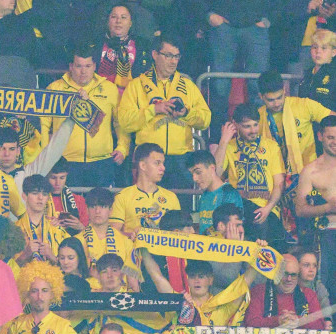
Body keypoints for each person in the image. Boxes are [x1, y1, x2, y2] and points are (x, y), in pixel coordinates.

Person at [198, 0, 275, 140]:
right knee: (220, 87)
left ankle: (261, 141)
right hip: (223, 29)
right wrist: (209, 16)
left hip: (256, 30)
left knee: (259, 88)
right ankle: (218, 141)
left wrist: (267, 20)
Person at [117, 36, 211, 191]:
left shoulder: (188, 85)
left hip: (181, 160)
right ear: (155, 55)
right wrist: (154, 110)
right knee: (148, 210)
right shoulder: (137, 84)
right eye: (168, 56)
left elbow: (206, 119)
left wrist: (186, 113)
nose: (173, 61)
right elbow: (125, 121)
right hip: (149, 159)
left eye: (176, 56)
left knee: (181, 210)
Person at [41, 47, 129, 185]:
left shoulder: (110, 88)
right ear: (71, 66)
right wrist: (46, 155)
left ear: (94, 66)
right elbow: (44, 125)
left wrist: (122, 148)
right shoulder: (55, 88)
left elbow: (120, 122)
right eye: (78, 66)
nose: (83, 71)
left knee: (101, 206)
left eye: (88, 66)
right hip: (65, 161)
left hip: (102, 162)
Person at [213, 104, 287, 247]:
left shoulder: (271, 146)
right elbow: (215, 174)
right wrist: (223, 140)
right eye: (247, 126)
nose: (253, 131)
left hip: (266, 209)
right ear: (235, 125)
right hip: (239, 208)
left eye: (255, 125)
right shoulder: (229, 146)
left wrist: (268, 208)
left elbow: (279, 183)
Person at [294, 114, 336, 300]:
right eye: (330, 137)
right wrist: (327, 207)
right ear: (320, 137)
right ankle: (329, 324)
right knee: (325, 283)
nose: (335, 142)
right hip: (325, 233)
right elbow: (300, 209)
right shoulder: (310, 171)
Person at [110, 143, 184, 235]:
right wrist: (132, 235)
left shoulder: (171, 197)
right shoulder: (123, 197)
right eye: (157, 163)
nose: (163, 168)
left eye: (163, 163)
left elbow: (181, 234)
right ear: (143, 166)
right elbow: (113, 234)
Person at [187, 151, 244, 233]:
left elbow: (235, 228)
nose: (194, 178)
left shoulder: (229, 193)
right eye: (192, 174)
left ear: (212, 168)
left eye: (198, 172)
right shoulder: (204, 196)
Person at [300, 30, 336, 111]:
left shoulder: (335, 75)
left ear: (333, 52)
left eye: (324, 48)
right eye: (315, 47)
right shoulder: (308, 74)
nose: (318, 51)